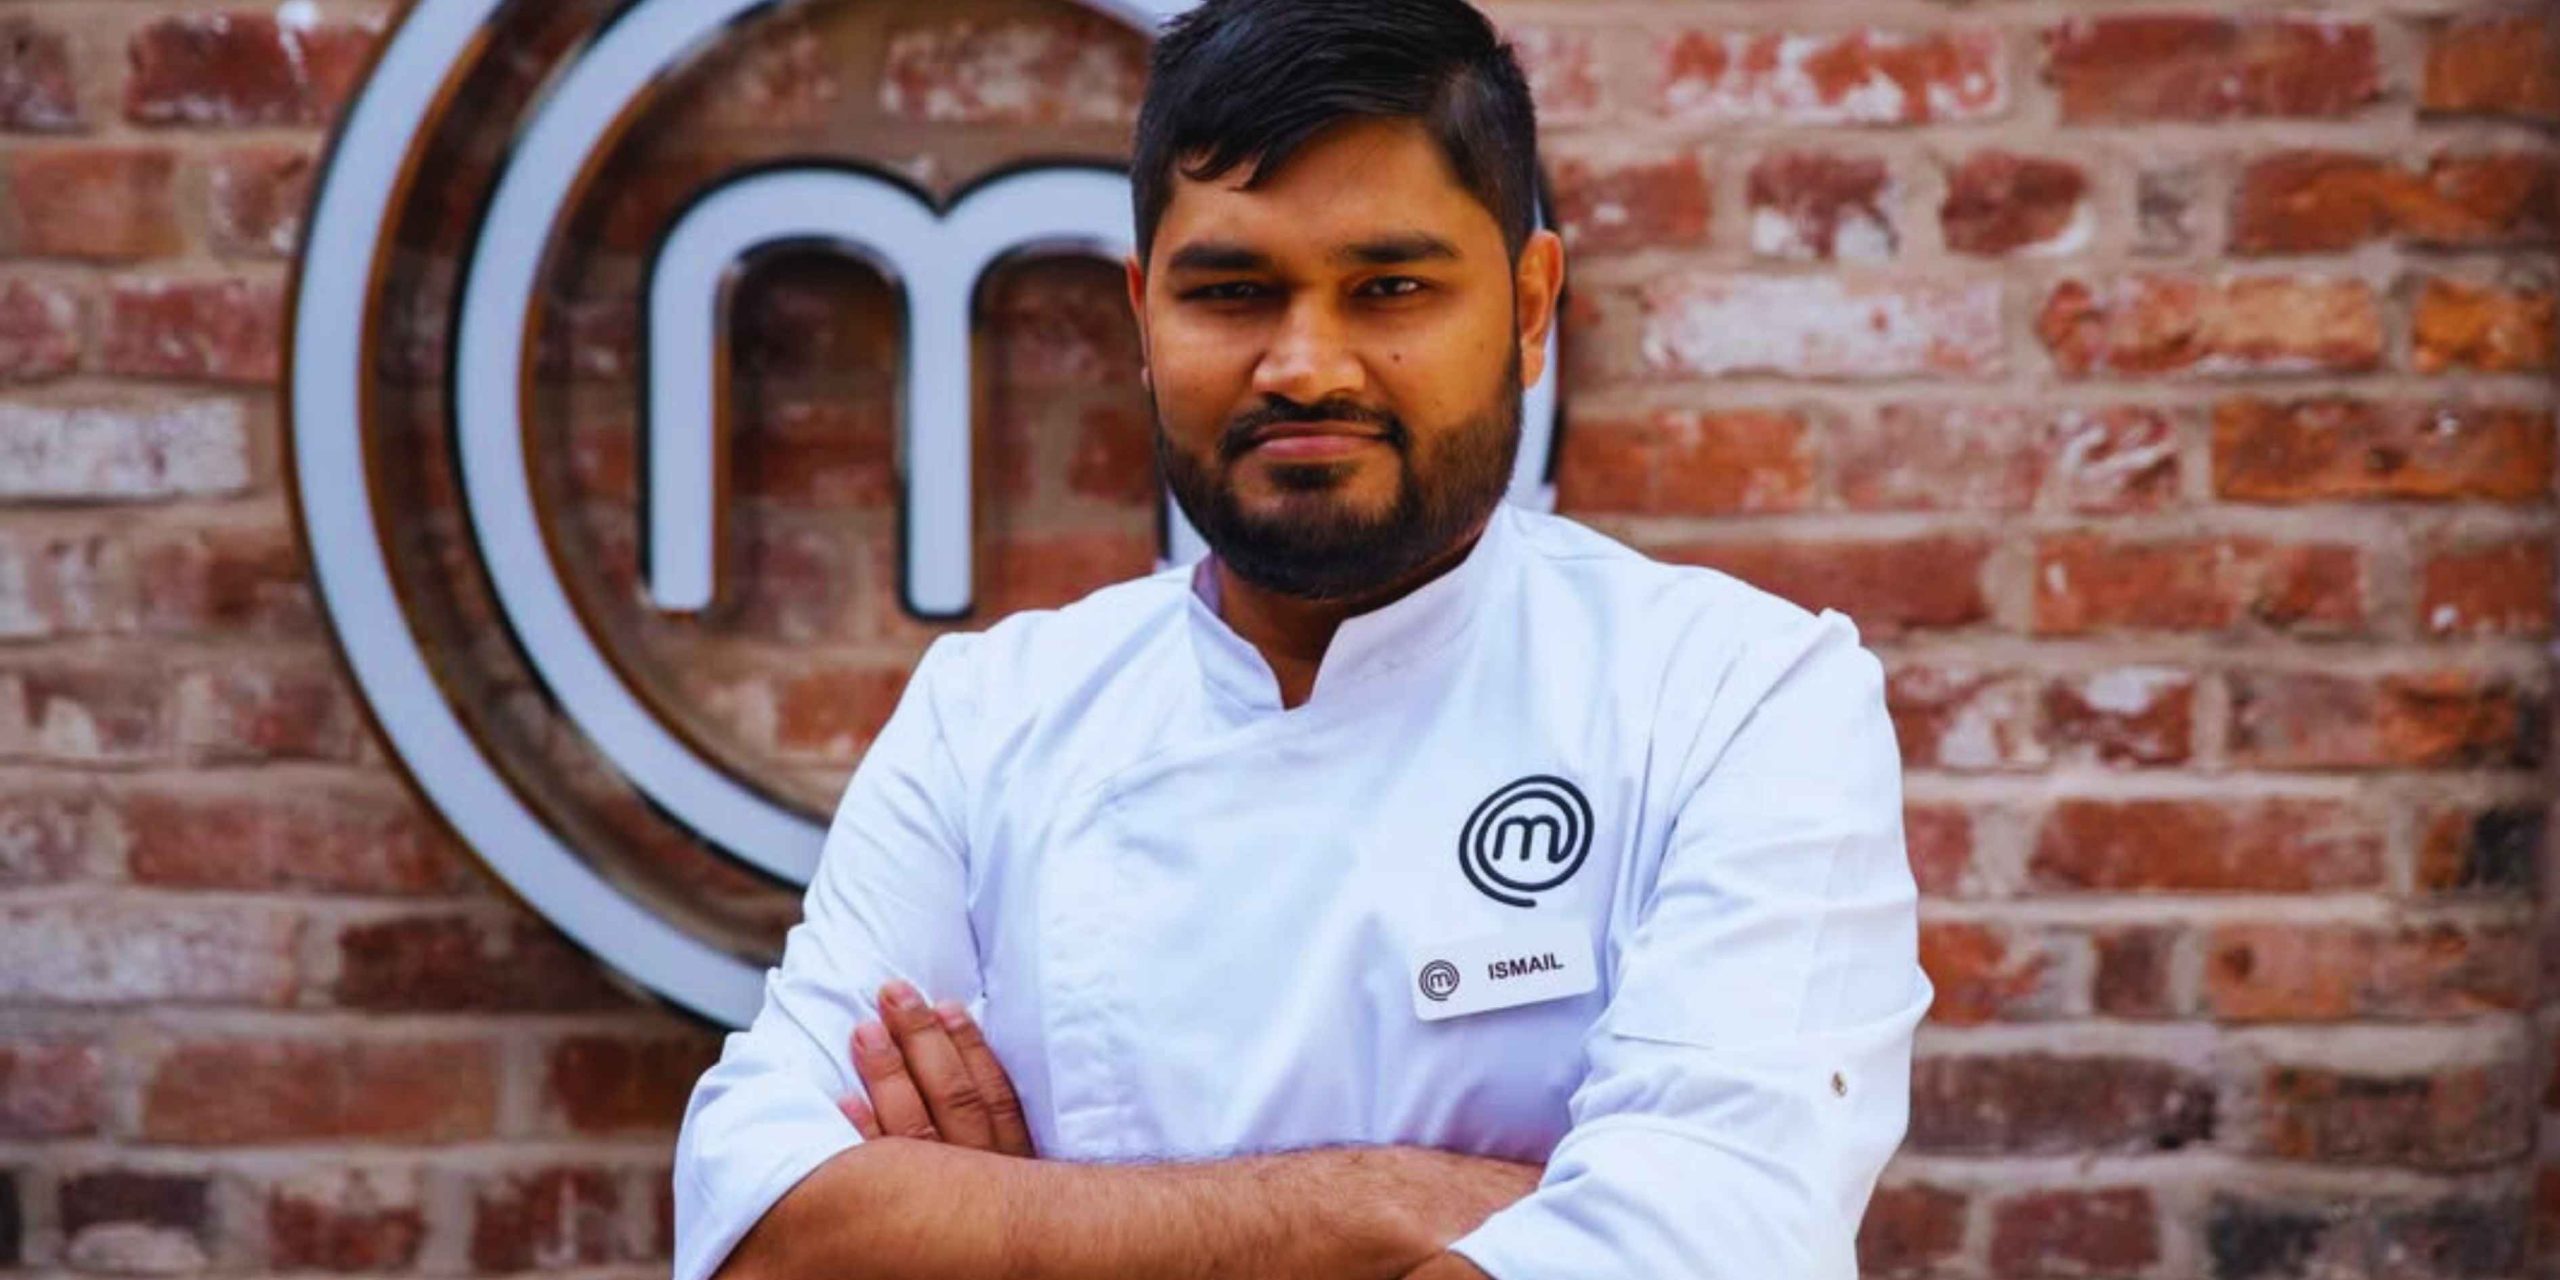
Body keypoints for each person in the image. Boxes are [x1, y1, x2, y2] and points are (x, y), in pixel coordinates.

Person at [671, 0, 1931, 1275]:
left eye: (1390, 286)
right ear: (1143, 319)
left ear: (1530, 305)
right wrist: (1380, 1203)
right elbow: (764, 1231)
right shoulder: (989, 717)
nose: (1306, 365)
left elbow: (1703, 1239)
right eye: (1232, 292)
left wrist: (1013, 1230)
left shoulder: (1733, 696)